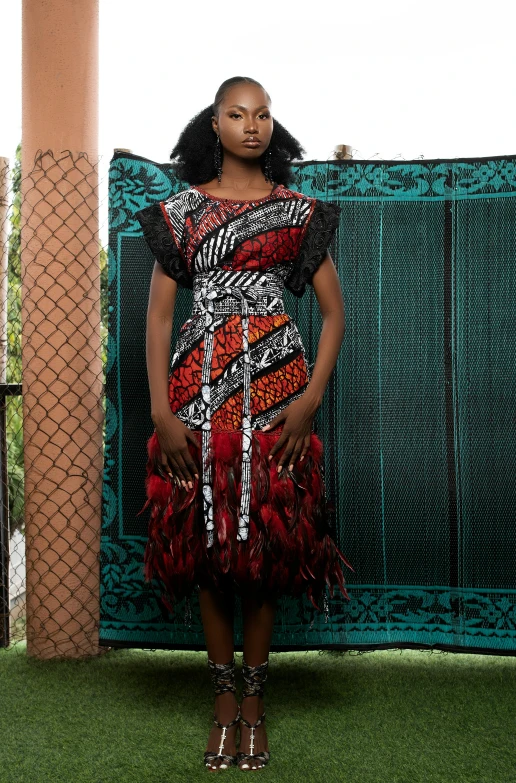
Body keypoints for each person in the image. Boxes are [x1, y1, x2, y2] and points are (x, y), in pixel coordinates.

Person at [135, 75, 354, 772]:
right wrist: (162, 412)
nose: (252, 126)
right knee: (206, 553)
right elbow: (159, 318)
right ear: (215, 124)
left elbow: (335, 315)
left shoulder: (298, 212)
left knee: (262, 552)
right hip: (196, 401)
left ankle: (256, 705)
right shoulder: (181, 214)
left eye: (263, 114)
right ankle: (222, 702)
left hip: (277, 400)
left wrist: (311, 398)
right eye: (237, 114)